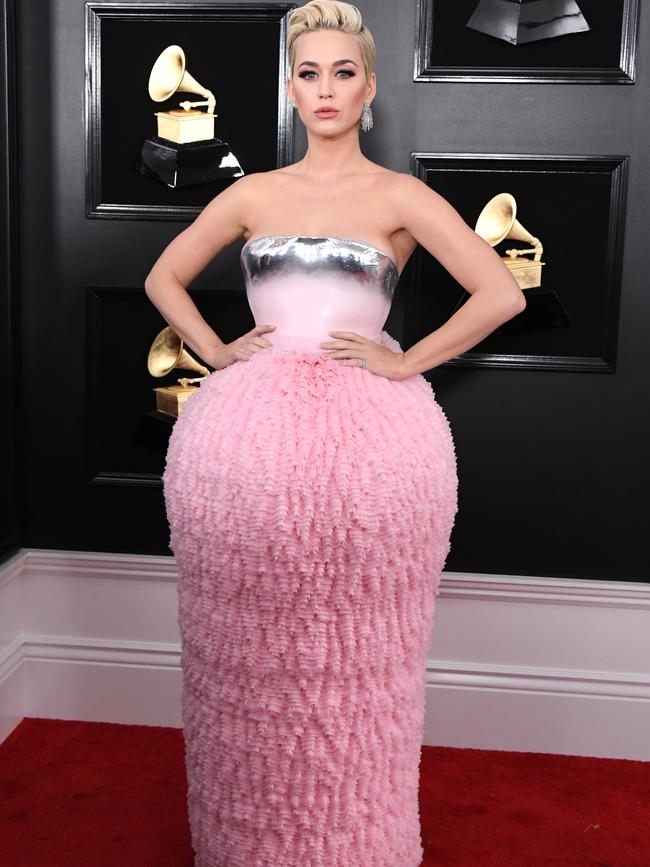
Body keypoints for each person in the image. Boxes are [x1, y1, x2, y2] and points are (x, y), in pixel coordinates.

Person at [144, 2, 525, 864]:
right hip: (246, 445)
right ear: (290, 87)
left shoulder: (398, 196)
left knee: (358, 652)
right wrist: (216, 350)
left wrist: (404, 362)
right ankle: (250, 837)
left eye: (342, 72)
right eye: (309, 73)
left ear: (370, 87)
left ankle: (354, 837)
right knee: (243, 650)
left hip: (371, 450)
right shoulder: (252, 193)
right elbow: (163, 276)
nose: (326, 89)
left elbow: (500, 293)